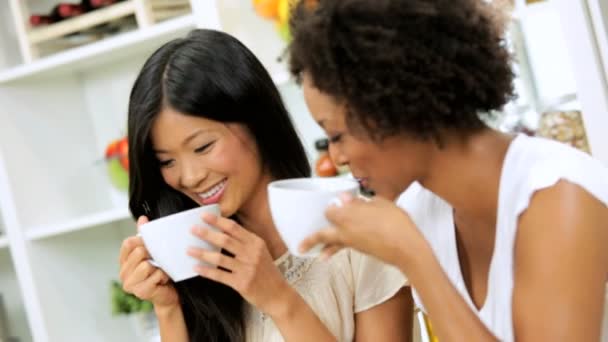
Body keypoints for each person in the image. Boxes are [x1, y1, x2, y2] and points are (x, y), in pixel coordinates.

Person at [289, 1, 608, 341]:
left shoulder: (560, 196)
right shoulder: (421, 210)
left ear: (395, 103)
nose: (336, 158)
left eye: (337, 135)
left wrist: (413, 257)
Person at [118, 29, 411, 342]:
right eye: (166, 161)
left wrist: (279, 300)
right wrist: (168, 309)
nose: (189, 177)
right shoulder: (195, 263)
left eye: (203, 147)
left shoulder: (360, 234)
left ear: (257, 122)